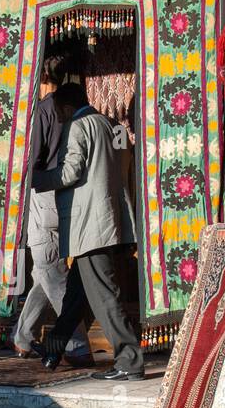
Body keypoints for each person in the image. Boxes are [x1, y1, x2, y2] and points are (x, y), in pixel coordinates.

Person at [31, 82, 144, 381]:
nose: (56, 117)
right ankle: (53, 349)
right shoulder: (105, 123)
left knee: (104, 297)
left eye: (57, 111)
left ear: (67, 107)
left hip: (90, 228)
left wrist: (35, 179)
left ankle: (129, 360)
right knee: (74, 298)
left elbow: (70, 172)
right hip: (104, 222)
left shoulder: (78, 125)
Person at [11, 56, 93, 366]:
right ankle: (46, 339)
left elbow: (31, 165)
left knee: (49, 270)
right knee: (47, 270)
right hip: (61, 196)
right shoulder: (72, 113)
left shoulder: (45, 112)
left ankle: (66, 340)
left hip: (46, 192)